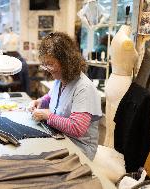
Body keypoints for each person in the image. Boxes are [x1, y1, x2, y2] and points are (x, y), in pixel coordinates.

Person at [29, 32, 102, 160]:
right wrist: (40, 102)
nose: (48, 68)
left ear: (66, 61)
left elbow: (77, 128)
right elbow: (52, 97)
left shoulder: (83, 88)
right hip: (61, 138)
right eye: (45, 64)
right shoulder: (61, 79)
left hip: (80, 149)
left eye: (51, 64)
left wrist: (47, 116)